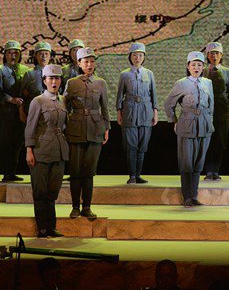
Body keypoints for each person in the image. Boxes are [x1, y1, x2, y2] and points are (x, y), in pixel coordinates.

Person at [63, 47, 109, 219]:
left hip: (95, 129)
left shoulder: (101, 83)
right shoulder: (72, 83)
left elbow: (105, 108)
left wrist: (106, 128)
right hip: (75, 129)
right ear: (79, 63)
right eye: (86, 61)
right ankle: (75, 206)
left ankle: (87, 207)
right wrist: (64, 126)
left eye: (92, 61)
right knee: (75, 171)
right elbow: (64, 106)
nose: (89, 65)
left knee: (89, 171)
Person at [165, 51, 214, 207]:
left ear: (203, 67)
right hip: (187, 124)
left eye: (199, 65)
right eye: (193, 65)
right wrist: (174, 120)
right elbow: (169, 104)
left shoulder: (208, 83)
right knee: (187, 161)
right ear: (188, 66)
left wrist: (209, 122)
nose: (196, 67)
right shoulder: (182, 83)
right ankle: (187, 196)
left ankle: (194, 195)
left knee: (199, 161)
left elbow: (211, 105)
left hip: (204, 125)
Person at [25, 64, 68, 238]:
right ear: (44, 81)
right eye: (51, 78)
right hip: (41, 150)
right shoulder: (38, 101)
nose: (54, 82)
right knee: (40, 192)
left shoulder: (62, 100)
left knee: (52, 192)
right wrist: (29, 150)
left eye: (57, 78)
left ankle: (51, 227)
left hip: (59, 150)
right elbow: (30, 127)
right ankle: (42, 228)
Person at [116, 42, 158, 184]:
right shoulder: (124, 74)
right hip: (129, 111)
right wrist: (119, 112)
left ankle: (138, 175)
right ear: (130, 57)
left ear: (144, 57)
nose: (137, 58)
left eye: (140, 55)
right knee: (131, 145)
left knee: (143, 145)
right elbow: (120, 95)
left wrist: (155, 112)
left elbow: (154, 94)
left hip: (146, 111)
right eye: (134, 55)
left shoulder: (149, 74)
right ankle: (132, 175)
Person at [0, 40, 31, 182]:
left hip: (20, 114)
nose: (13, 55)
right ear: (5, 54)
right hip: (4, 114)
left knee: (17, 143)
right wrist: (11, 100)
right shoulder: (0, 70)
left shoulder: (25, 70)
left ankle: (12, 172)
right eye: (9, 53)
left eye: (16, 53)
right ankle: (7, 173)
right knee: (4, 143)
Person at [202, 42, 229, 181]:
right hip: (206, 108)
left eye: (217, 53)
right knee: (208, 140)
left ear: (221, 55)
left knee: (220, 141)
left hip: (222, 108)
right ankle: (208, 171)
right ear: (207, 55)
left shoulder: (227, 72)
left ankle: (216, 170)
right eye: (212, 53)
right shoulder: (203, 71)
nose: (214, 56)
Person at [21, 42, 53, 118]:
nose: (44, 56)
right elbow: (22, 95)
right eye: (41, 54)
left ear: (50, 56)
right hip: (33, 111)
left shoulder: (55, 73)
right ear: (35, 56)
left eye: (46, 54)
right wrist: (21, 112)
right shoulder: (29, 74)